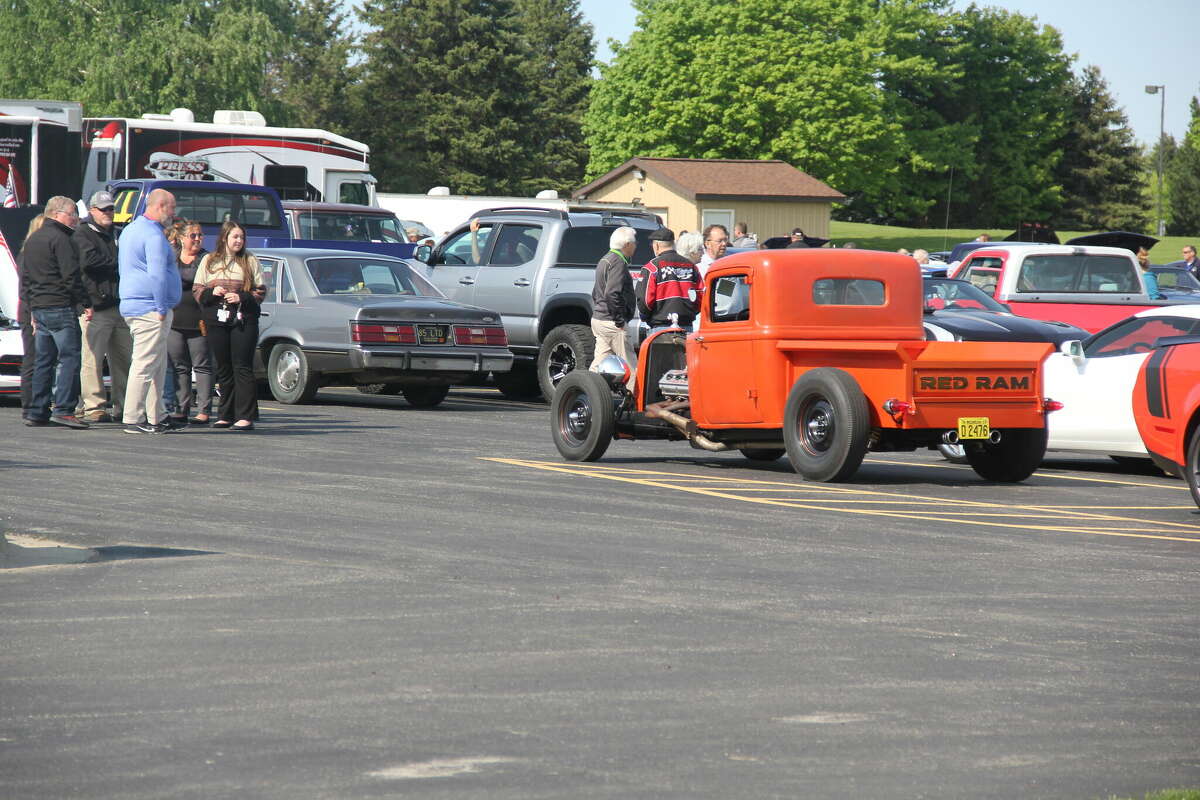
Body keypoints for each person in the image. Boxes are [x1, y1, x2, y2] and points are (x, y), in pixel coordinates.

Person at [21, 196, 90, 429]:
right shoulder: (62, 239)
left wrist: (31, 307)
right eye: (72, 214)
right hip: (59, 305)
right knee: (69, 359)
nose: (75, 219)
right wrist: (85, 302)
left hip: (39, 307)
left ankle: (37, 410)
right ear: (57, 213)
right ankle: (64, 409)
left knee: (43, 361)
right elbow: (71, 276)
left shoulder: (33, 239)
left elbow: (26, 278)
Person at [119, 188, 181, 434]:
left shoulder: (131, 230)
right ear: (160, 206)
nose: (174, 214)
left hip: (134, 303)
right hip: (149, 307)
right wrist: (160, 306)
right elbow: (156, 273)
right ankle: (133, 418)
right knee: (145, 363)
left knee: (157, 363)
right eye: (172, 208)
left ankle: (157, 416)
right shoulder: (154, 235)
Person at [193, 220, 266, 430]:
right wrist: (211, 292)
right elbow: (198, 290)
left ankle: (245, 416)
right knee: (223, 367)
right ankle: (225, 414)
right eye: (235, 237)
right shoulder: (209, 260)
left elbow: (260, 291)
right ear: (224, 238)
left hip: (243, 319)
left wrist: (242, 296)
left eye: (242, 237)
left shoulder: (249, 260)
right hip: (217, 319)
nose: (239, 241)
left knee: (241, 366)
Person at [74, 190, 132, 423]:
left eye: (111, 208)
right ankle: (94, 406)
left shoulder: (117, 233)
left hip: (120, 305)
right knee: (92, 360)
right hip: (96, 307)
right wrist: (119, 262)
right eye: (104, 209)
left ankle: (126, 404)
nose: (109, 213)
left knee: (125, 358)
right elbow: (89, 263)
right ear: (92, 211)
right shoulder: (82, 233)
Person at [169, 220, 215, 424]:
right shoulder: (172, 257)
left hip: (199, 321)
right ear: (181, 238)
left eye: (200, 235)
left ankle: (204, 410)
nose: (197, 239)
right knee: (180, 366)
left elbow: (203, 282)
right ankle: (181, 408)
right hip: (175, 319)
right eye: (193, 235)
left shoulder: (207, 258)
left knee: (202, 366)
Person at [590, 225, 638, 380]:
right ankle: (635, 401)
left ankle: (585, 391)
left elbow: (595, 293)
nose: (636, 246)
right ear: (627, 245)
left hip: (599, 319)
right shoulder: (618, 262)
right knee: (630, 366)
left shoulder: (605, 259)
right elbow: (612, 293)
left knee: (599, 363)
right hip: (612, 322)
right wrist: (619, 320)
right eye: (634, 243)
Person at [637, 228, 702, 329]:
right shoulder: (691, 266)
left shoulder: (652, 267)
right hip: (686, 325)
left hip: (660, 326)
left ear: (656, 245)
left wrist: (646, 317)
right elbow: (700, 295)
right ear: (673, 244)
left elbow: (645, 301)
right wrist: (689, 313)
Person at [16, 215, 44, 424]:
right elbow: (27, 288)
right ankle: (28, 404)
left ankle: (36, 402)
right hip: (30, 310)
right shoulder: (29, 255)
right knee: (32, 358)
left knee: (37, 358)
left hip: (30, 308)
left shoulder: (27, 253)